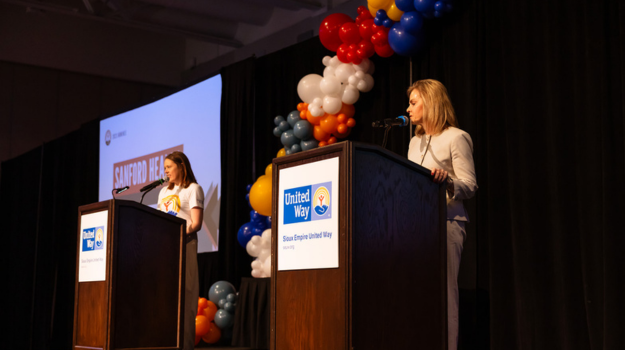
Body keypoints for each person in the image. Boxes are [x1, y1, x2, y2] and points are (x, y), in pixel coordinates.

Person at [406, 79, 478, 350]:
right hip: (416, 227)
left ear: (431, 102)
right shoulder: (415, 142)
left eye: (414, 102)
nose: (408, 108)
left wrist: (448, 181)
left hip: (447, 223)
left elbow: (469, 185)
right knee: (418, 294)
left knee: (445, 295)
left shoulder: (456, 137)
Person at [157, 151, 204, 350]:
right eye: (165, 167)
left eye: (169, 166)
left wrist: (178, 233)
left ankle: (185, 346)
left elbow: (196, 223)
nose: (165, 171)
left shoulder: (193, 189)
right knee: (166, 298)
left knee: (186, 295)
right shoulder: (163, 192)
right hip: (165, 250)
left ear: (181, 167)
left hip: (185, 245)